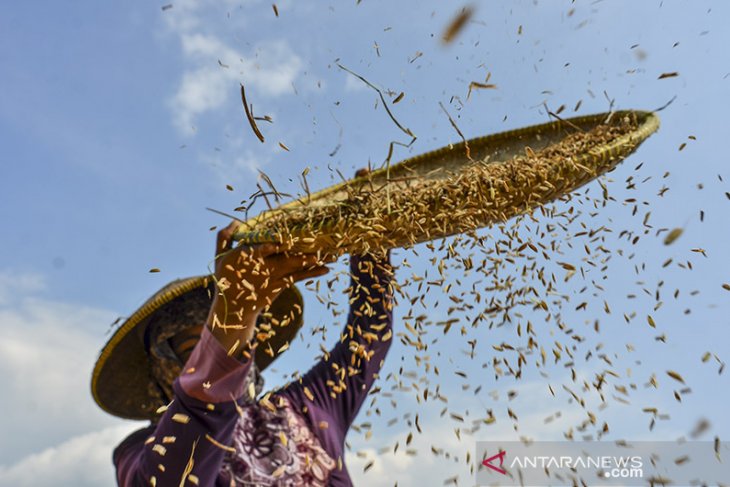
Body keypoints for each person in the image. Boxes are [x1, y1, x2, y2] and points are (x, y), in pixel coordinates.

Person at [104, 217, 395, 486]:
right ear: (161, 367)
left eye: (216, 345)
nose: (209, 363)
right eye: (193, 353)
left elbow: (368, 338)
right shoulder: (138, 453)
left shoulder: (306, 407)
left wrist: (371, 247)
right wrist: (234, 315)